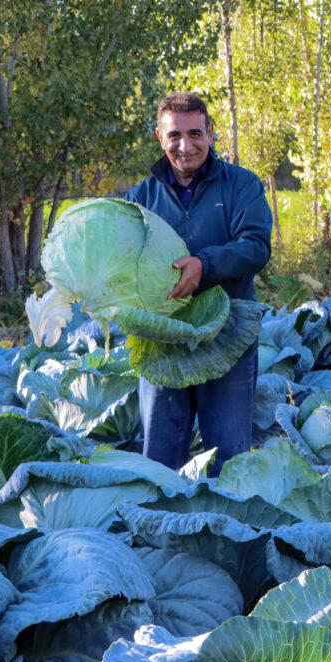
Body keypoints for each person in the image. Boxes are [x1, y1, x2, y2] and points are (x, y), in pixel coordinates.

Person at [126, 92, 273, 475]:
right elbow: (123, 263)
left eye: (195, 134)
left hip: (227, 336)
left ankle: (229, 533)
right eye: (174, 135)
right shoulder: (140, 198)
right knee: (159, 462)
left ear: (211, 132)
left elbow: (256, 248)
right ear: (160, 136)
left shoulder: (242, 185)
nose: (185, 146)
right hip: (162, 340)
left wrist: (203, 266)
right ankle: (161, 534)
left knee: (229, 462)